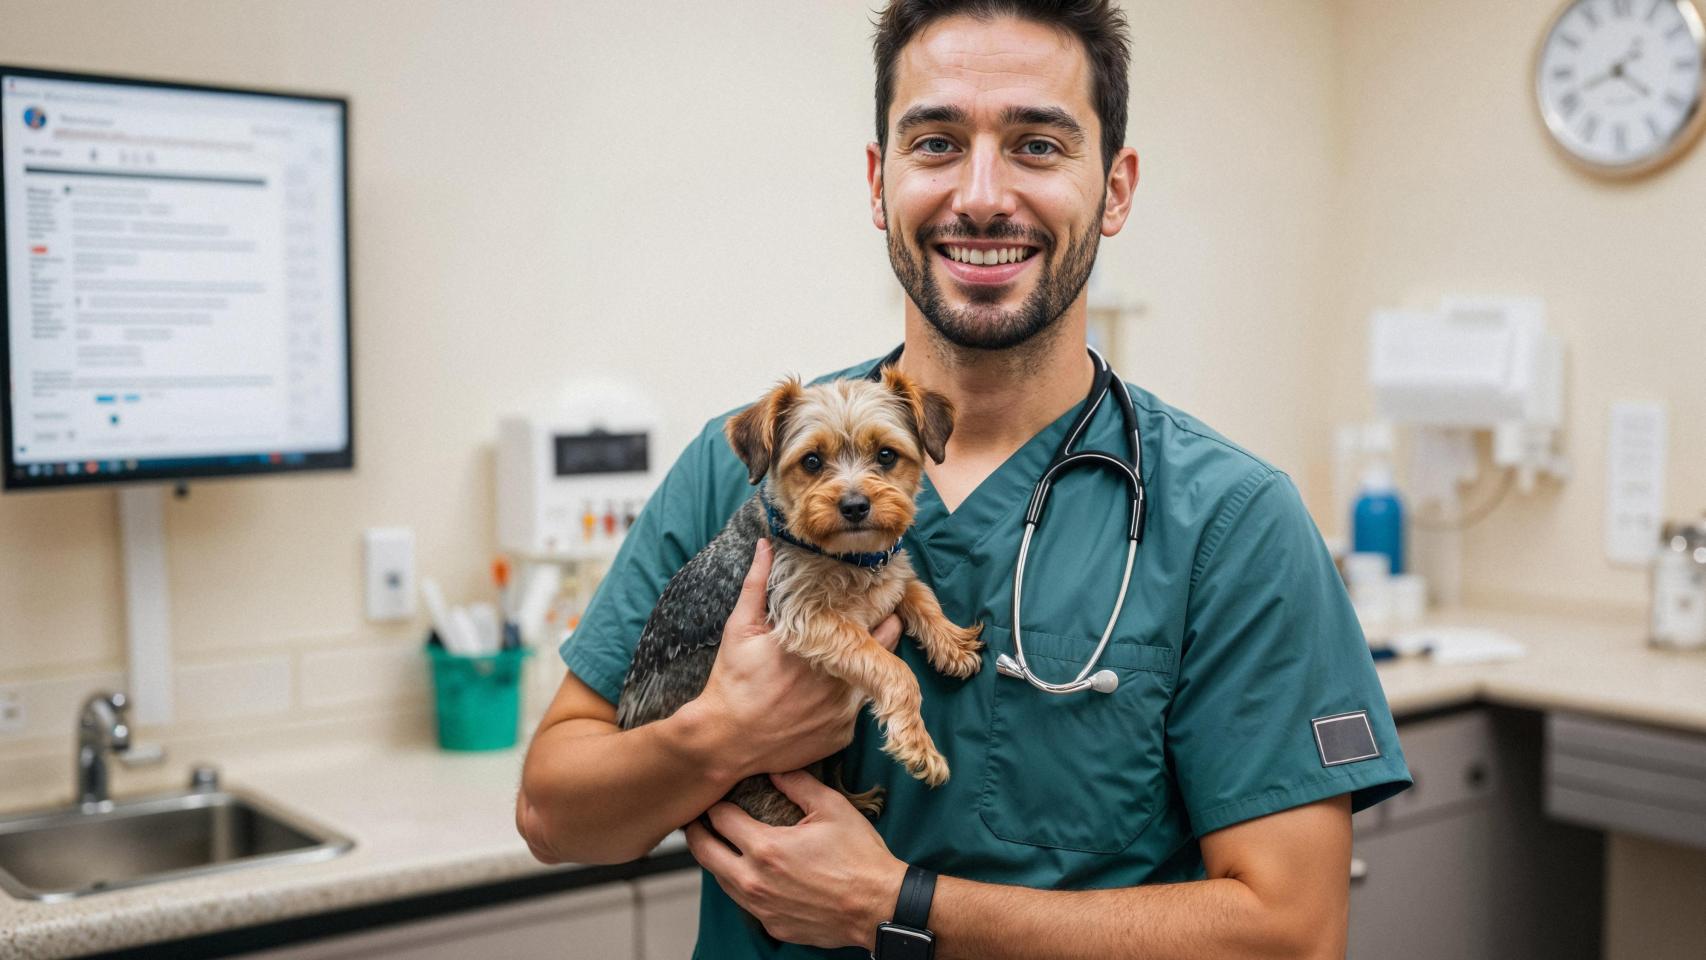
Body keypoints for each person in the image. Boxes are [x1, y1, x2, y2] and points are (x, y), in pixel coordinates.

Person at [517, 2, 1412, 956]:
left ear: (1114, 188)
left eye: (1036, 146)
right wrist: (720, 735)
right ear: (879, 180)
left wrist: (899, 905)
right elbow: (554, 814)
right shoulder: (736, 473)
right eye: (937, 143)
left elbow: (1294, 931)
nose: (982, 196)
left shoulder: (1232, 524)